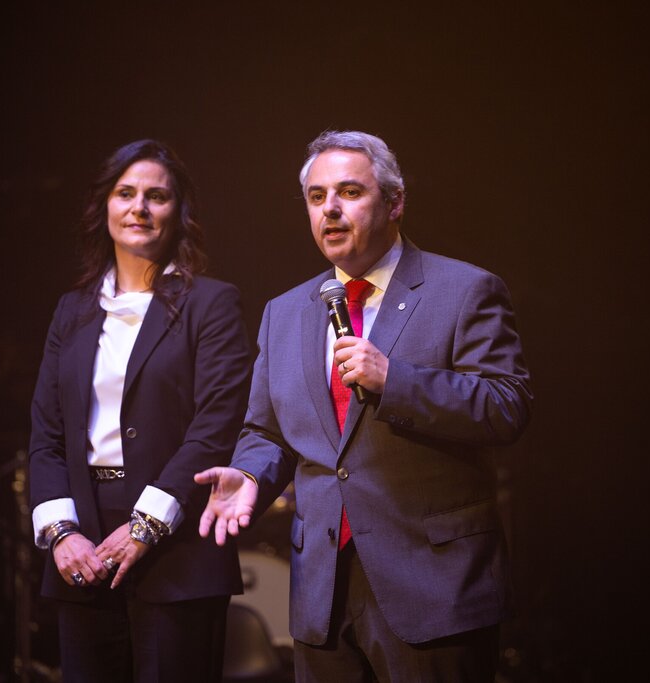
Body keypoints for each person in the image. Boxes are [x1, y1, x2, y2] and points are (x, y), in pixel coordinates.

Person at [195, 130, 532, 682]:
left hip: (433, 586)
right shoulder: (285, 312)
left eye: (349, 191)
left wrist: (395, 380)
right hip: (322, 593)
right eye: (316, 196)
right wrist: (252, 474)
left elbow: (506, 405)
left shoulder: (464, 290)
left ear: (395, 203)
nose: (330, 208)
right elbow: (267, 431)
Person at [29, 139, 251, 682]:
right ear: (104, 207)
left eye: (157, 196)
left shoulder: (212, 303)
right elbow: (46, 432)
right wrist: (62, 533)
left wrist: (147, 524)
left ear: (179, 212)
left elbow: (217, 424)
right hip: (81, 545)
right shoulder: (72, 311)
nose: (139, 208)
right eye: (125, 193)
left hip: (177, 547)